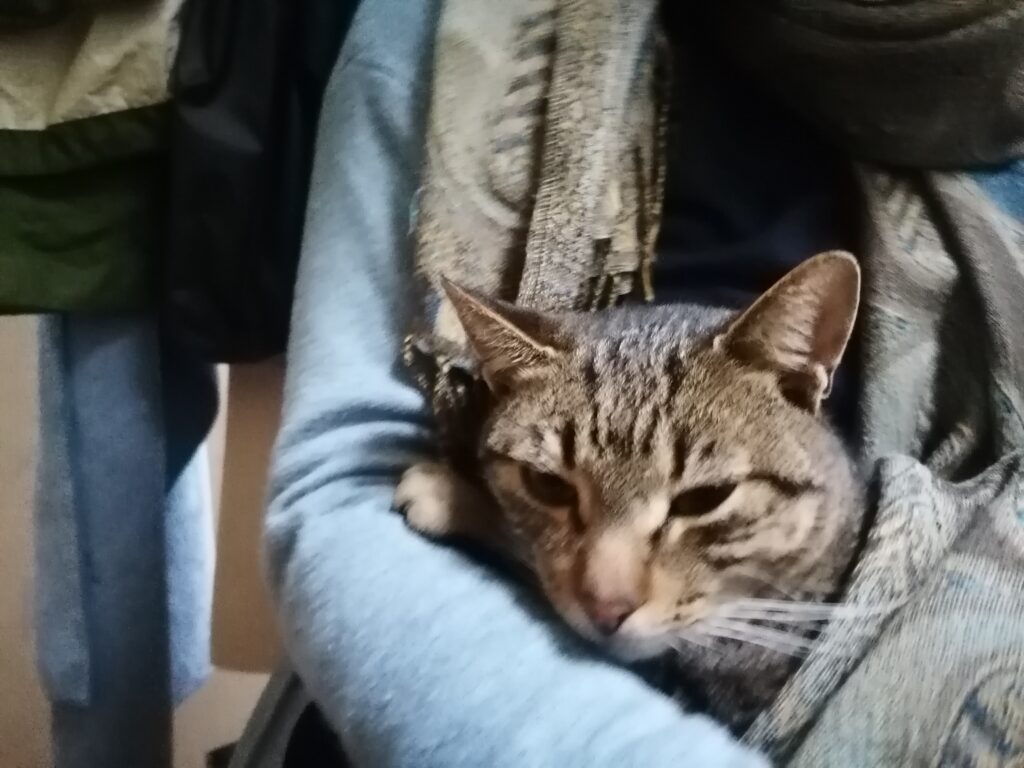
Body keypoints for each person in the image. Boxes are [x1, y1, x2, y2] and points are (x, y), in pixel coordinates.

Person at [265, 1, 1024, 766]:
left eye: (701, 497)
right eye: (550, 485)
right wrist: (499, 521)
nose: (608, 596)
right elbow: (344, 492)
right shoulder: (426, 27)